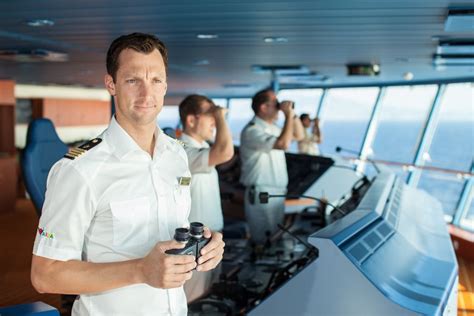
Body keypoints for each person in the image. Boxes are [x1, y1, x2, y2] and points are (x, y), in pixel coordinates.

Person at [30, 33, 224, 316]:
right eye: (133, 80)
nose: (147, 94)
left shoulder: (177, 155)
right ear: (112, 84)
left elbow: (170, 231)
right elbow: (45, 275)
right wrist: (140, 271)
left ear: (166, 84)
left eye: (156, 80)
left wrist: (204, 245)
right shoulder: (79, 169)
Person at [239, 89, 304, 244]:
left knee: (276, 237)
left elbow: (300, 136)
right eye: (275, 104)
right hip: (262, 193)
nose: (278, 108)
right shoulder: (252, 130)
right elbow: (283, 144)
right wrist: (287, 115)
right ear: (263, 107)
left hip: (276, 192)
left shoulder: (273, 128)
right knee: (264, 240)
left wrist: (293, 115)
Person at [178, 95, 234, 232]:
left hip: (211, 232)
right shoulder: (181, 150)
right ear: (191, 121)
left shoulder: (202, 146)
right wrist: (220, 115)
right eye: (211, 115)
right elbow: (224, 152)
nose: (214, 122)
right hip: (196, 236)